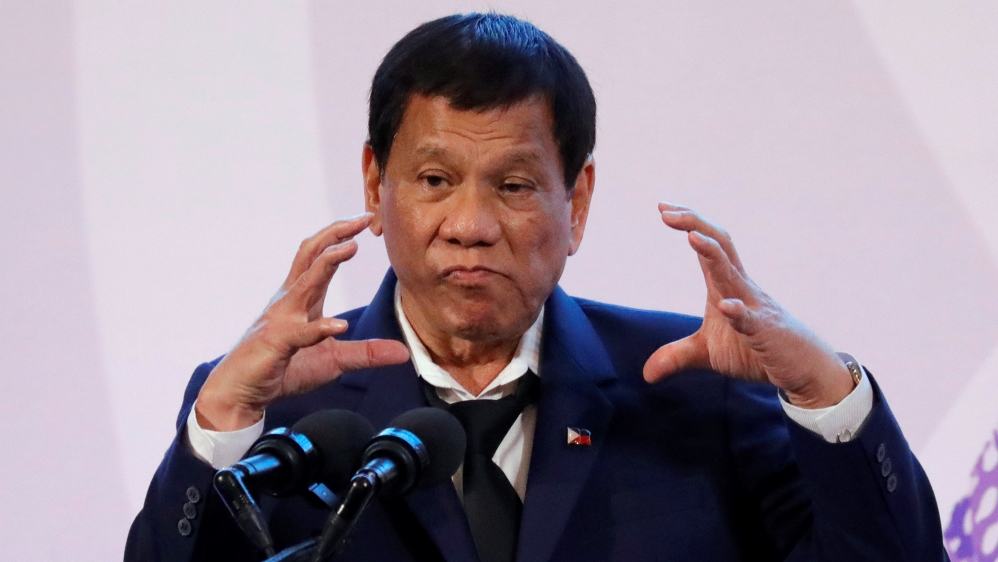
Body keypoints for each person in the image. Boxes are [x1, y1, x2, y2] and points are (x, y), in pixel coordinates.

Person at [125, 13, 947, 562]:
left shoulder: (700, 395)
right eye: (436, 178)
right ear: (376, 185)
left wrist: (825, 394)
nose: (471, 223)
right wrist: (223, 423)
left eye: (514, 186)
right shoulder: (279, 415)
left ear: (576, 201)